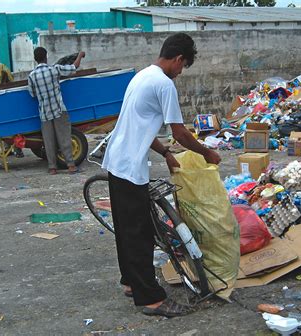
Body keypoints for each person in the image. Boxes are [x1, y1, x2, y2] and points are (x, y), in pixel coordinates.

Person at [102, 33, 221, 318]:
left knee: (126, 229)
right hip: (130, 166)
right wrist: (207, 152)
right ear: (178, 59)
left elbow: (142, 125)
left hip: (117, 160)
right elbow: (179, 131)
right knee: (141, 234)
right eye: (183, 67)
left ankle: (131, 282)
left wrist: (166, 153)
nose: (181, 73)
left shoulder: (143, 76)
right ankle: (151, 299)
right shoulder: (164, 84)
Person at [27, 47, 85, 175]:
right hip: (59, 110)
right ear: (46, 57)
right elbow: (73, 68)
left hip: (44, 113)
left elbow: (32, 94)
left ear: (35, 59)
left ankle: (52, 167)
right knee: (64, 138)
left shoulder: (32, 76)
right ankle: (70, 165)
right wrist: (80, 55)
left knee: (48, 141)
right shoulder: (54, 69)